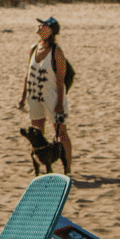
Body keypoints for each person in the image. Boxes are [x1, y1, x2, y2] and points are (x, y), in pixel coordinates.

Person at [17, 17, 73, 175]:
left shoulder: (57, 51)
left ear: (50, 31)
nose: (39, 27)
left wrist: (60, 103)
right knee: (36, 133)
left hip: (52, 97)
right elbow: (27, 74)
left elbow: (61, 79)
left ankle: (67, 167)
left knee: (61, 132)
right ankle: (38, 167)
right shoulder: (34, 47)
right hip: (34, 96)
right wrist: (23, 96)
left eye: (43, 25)